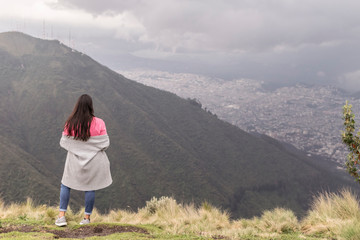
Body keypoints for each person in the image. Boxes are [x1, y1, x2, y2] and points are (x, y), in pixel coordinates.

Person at [55, 94, 112, 226]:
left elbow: (64, 142)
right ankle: (86, 219)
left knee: (66, 184)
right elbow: (105, 143)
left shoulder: (70, 122)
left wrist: (77, 146)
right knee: (90, 188)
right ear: (90, 106)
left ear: (77, 106)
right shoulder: (99, 122)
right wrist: (90, 147)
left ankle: (61, 217)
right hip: (93, 161)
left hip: (74, 161)